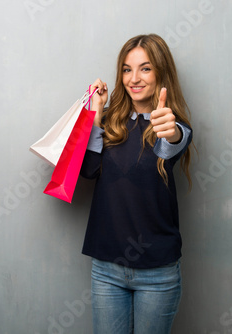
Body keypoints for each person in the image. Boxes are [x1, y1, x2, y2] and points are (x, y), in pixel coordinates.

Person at [80, 34, 194, 334]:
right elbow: (89, 171)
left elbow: (174, 142)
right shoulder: (111, 123)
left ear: (161, 72)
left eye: (145, 68)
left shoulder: (170, 124)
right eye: (127, 70)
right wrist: (97, 112)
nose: (134, 78)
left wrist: (170, 131)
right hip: (107, 270)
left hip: (158, 274)